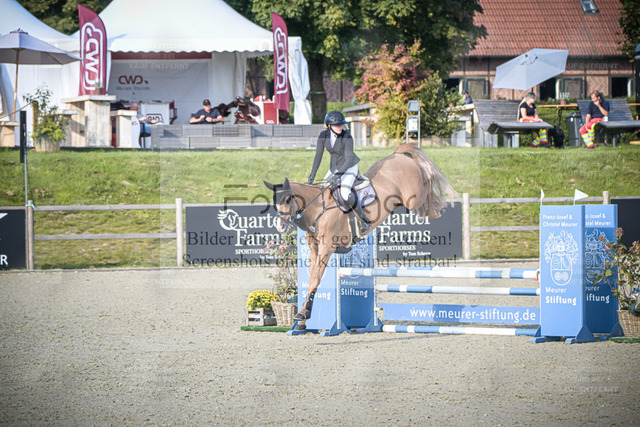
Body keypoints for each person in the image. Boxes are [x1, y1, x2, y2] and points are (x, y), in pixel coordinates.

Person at [307, 111, 371, 234]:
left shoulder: (347, 137)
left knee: (345, 193)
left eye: (341, 124)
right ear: (329, 126)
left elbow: (348, 160)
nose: (340, 127)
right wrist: (312, 176)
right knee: (322, 191)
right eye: (337, 125)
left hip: (349, 166)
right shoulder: (323, 135)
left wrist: (337, 176)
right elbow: (318, 156)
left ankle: (364, 220)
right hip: (335, 167)